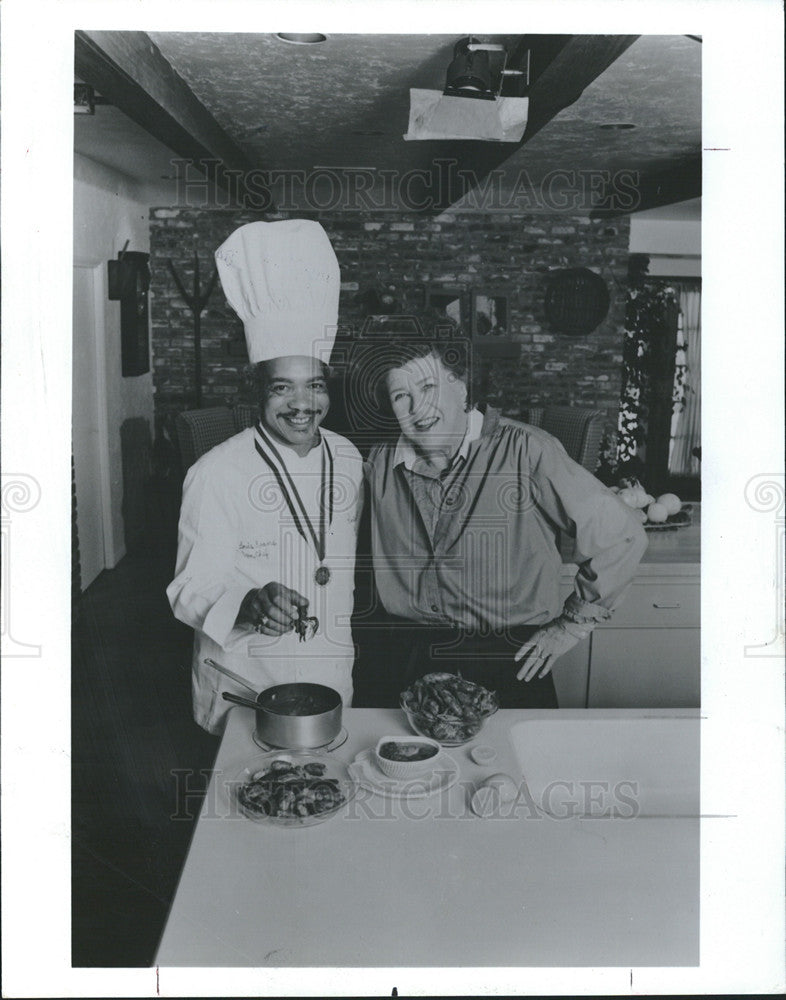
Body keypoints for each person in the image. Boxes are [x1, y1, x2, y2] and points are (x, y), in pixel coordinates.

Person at [360, 332, 648, 708]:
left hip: (507, 659)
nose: (418, 407)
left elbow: (621, 536)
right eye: (401, 396)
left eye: (428, 387)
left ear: (461, 389)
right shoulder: (378, 462)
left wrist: (571, 625)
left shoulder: (526, 450)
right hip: (404, 659)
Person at [167, 220, 363, 735]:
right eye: (283, 388)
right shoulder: (216, 473)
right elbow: (188, 588)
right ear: (259, 392)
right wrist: (248, 604)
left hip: (330, 671)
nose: (302, 405)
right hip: (246, 677)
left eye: (314, 386)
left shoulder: (349, 459)